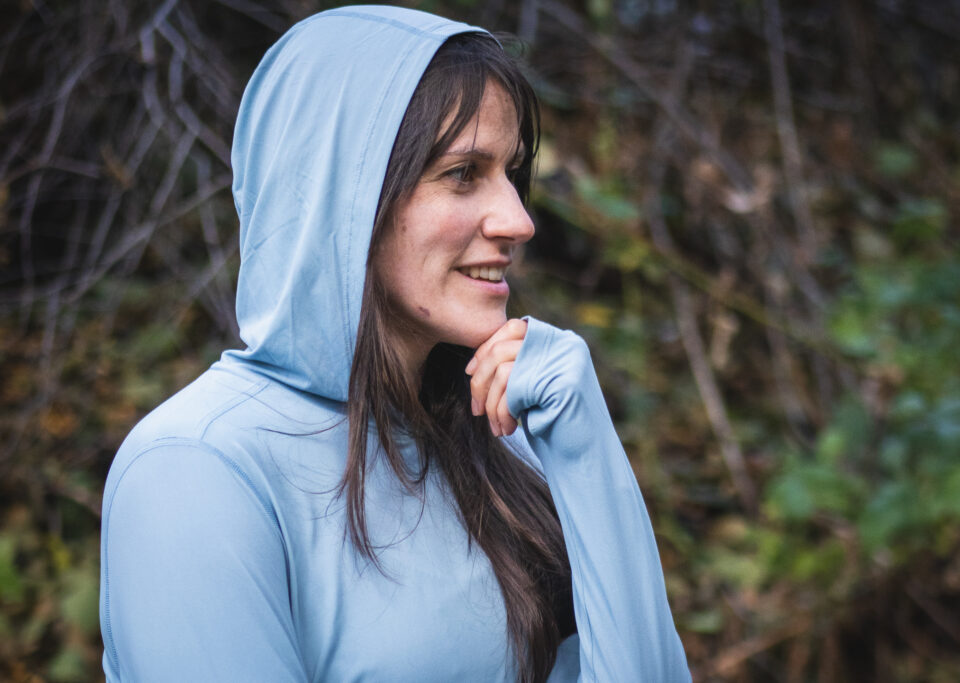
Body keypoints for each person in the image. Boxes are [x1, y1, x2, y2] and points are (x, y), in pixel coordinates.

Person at [99, 5, 691, 682]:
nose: (519, 220)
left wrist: (586, 451)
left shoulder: (510, 433)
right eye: (464, 173)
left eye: (512, 172)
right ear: (341, 194)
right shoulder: (194, 470)